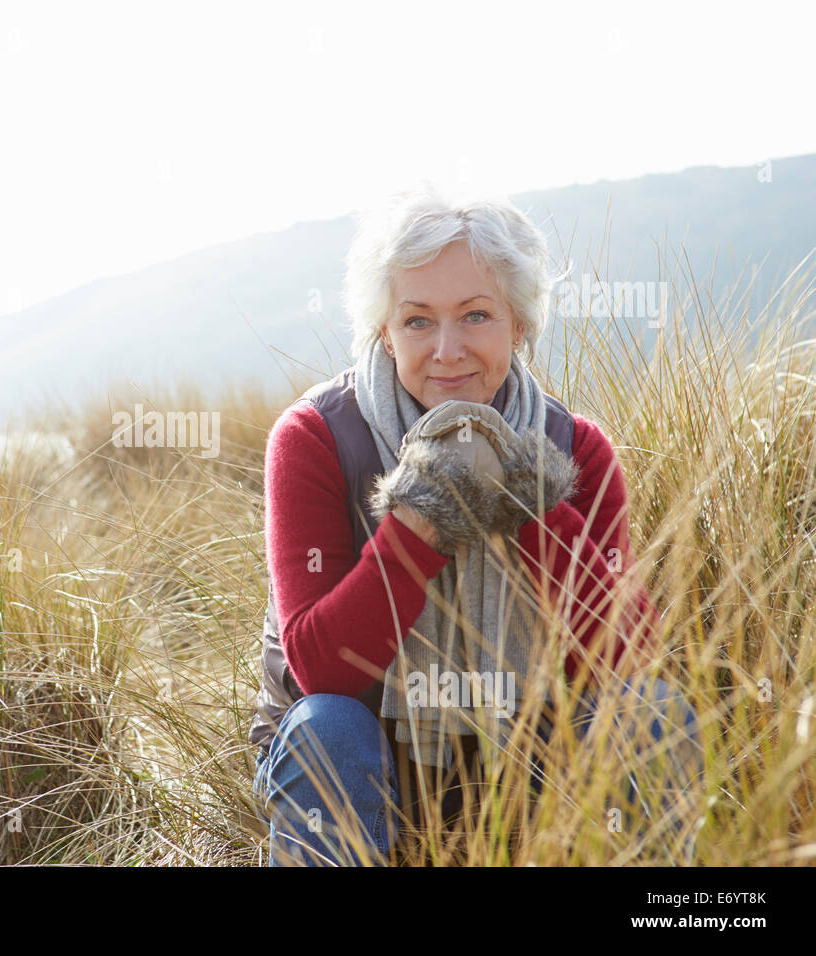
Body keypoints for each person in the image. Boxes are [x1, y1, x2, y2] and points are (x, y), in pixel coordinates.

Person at [248, 186, 703, 866]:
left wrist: (529, 501)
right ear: (384, 329)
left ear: (519, 325)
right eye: (418, 321)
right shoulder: (317, 439)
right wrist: (421, 518)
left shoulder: (576, 449)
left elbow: (627, 658)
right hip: (367, 754)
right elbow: (319, 670)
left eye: (477, 315)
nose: (448, 350)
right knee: (325, 726)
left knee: (655, 713)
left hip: (527, 753)